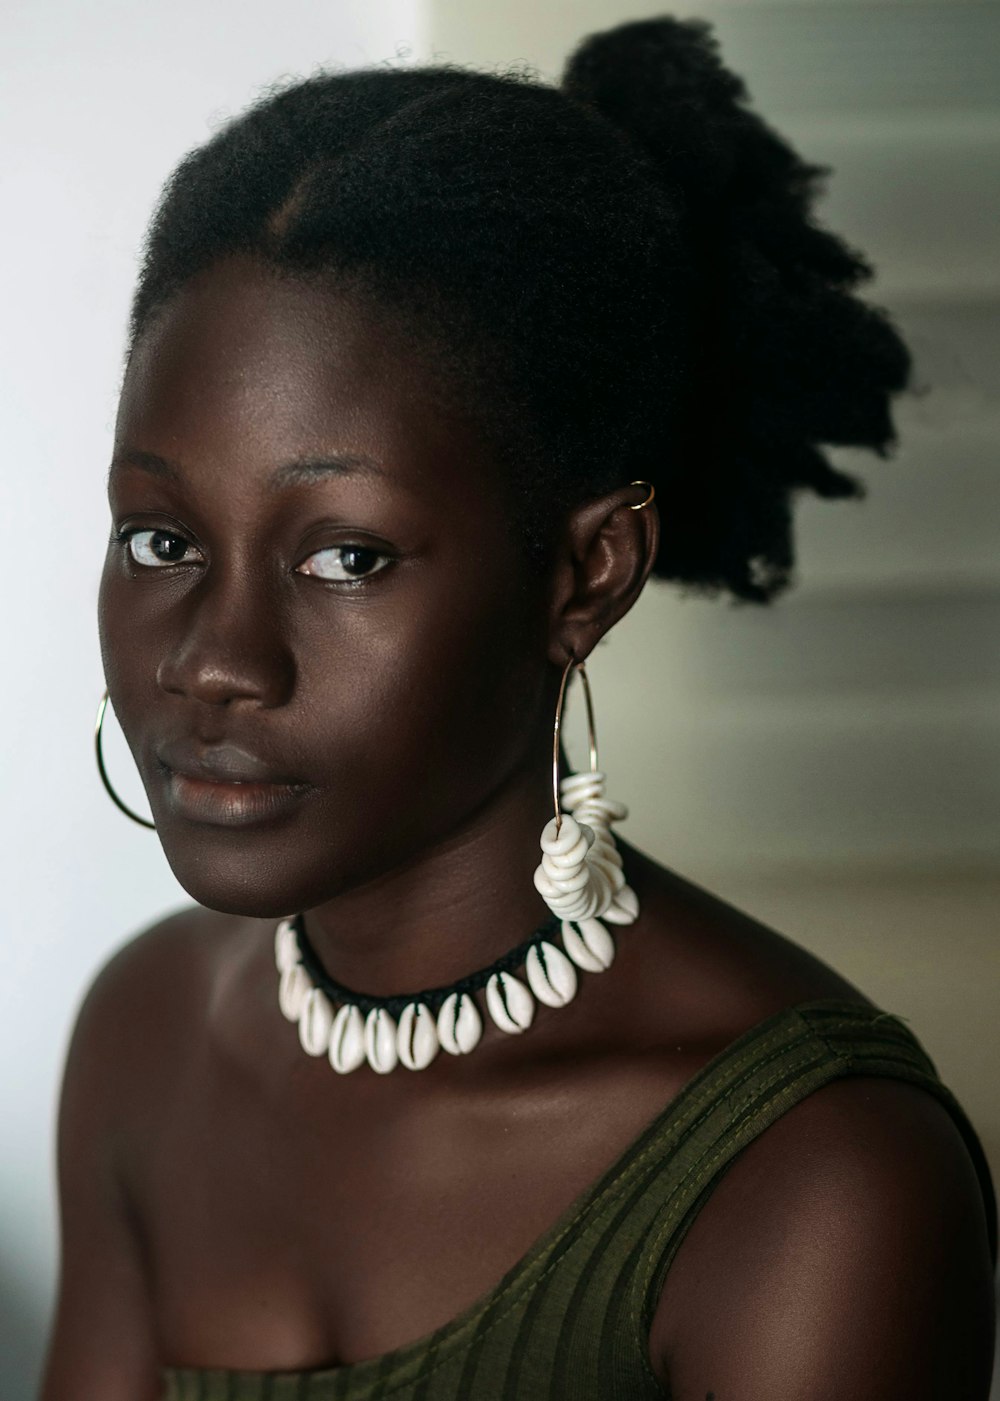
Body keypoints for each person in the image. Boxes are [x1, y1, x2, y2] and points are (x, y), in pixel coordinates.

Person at [41, 16, 996, 1400]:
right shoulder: (143, 1037)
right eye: (162, 540)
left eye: (346, 555)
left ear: (584, 574)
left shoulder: (813, 1177)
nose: (215, 659)